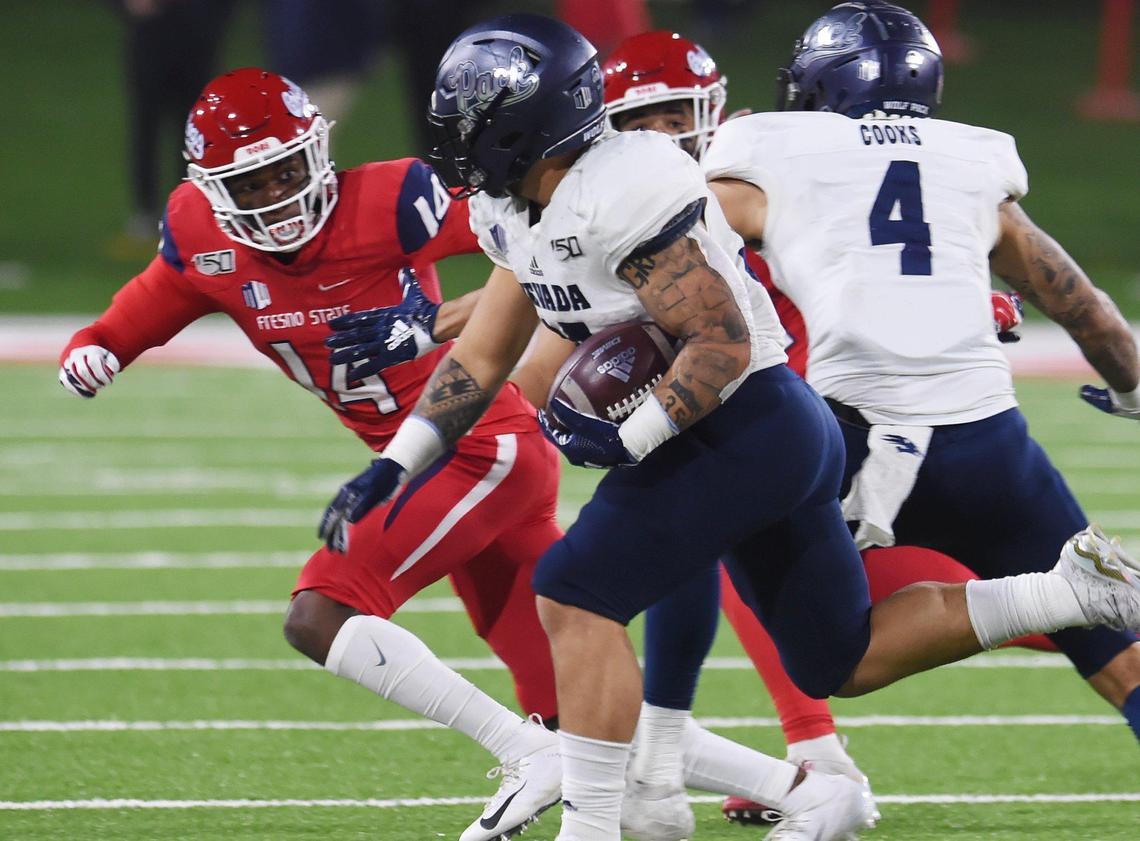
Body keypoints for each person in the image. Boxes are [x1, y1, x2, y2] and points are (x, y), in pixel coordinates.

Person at [319, 13, 1140, 841]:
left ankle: (600, 824)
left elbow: (722, 339)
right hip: (766, 431)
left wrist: (624, 439)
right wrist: (400, 460)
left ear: (524, 127)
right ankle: (1068, 589)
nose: (457, 140)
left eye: (472, 123)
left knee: (572, 590)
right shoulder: (515, 206)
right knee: (840, 658)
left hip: (751, 424)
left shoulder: (627, 185)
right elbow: (487, 355)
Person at [58, 67, 567, 841]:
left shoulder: (391, 199)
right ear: (212, 187)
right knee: (563, 683)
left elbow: (544, 233)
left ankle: (523, 752)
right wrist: (99, 345)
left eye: (288, 169)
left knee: (321, 611)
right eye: (252, 181)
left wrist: (445, 320)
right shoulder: (203, 235)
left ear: (318, 150)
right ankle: (791, 784)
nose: (276, 195)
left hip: (473, 443)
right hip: (431, 455)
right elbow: (157, 296)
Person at [599, 27, 1056, 828]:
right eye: (647, 123)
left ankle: (777, 757)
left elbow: (893, 254)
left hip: (871, 438)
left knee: (982, 594)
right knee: (700, 518)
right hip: (806, 437)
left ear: (717, 112)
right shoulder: (635, 211)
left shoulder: (760, 178)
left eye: (680, 116)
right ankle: (752, 758)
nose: (668, 138)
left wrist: (956, 302)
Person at [699, 0, 1140, 758]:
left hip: (854, 436)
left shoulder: (771, 153)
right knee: (1116, 652)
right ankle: (1069, 593)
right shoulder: (971, 162)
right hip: (991, 445)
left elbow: (667, 238)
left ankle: (783, 751)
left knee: (824, 648)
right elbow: (1088, 311)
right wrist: (1132, 392)